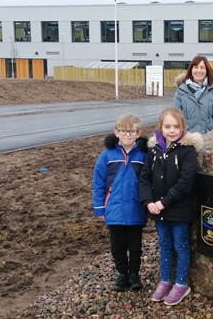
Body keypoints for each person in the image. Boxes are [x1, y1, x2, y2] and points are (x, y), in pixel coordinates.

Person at [139, 106, 203, 306]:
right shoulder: (154, 150)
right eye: (168, 126)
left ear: (183, 128)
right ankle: (165, 280)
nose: (172, 130)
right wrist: (148, 202)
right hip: (158, 210)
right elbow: (144, 177)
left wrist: (163, 202)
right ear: (161, 127)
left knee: (180, 245)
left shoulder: (187, 151)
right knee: (164, 245)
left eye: (176, 126)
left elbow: (185, 182)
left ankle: (182, 283)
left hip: (178, 209)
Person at [92, 114, 148, 292]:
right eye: (123, 131)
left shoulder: (143, 155)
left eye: (131, 131)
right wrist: (100, 208)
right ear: (116, 132)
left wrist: (148, 207)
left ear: (138, 133)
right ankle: (122, 274)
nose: (127, 134)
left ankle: (134, 274)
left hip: (136, 209)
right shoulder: (107, 155)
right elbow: (99, 183)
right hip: (114, 209)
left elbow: (149, 182)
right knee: (117, 247)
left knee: (135, 246)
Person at [173, 55, 213, 134]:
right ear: (191, 69)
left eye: (202, 67)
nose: (199, 70)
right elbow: (175, 118)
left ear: (207, 70)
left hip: (209, 138)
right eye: (196, 67)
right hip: (187, 140)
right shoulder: (181, 92)